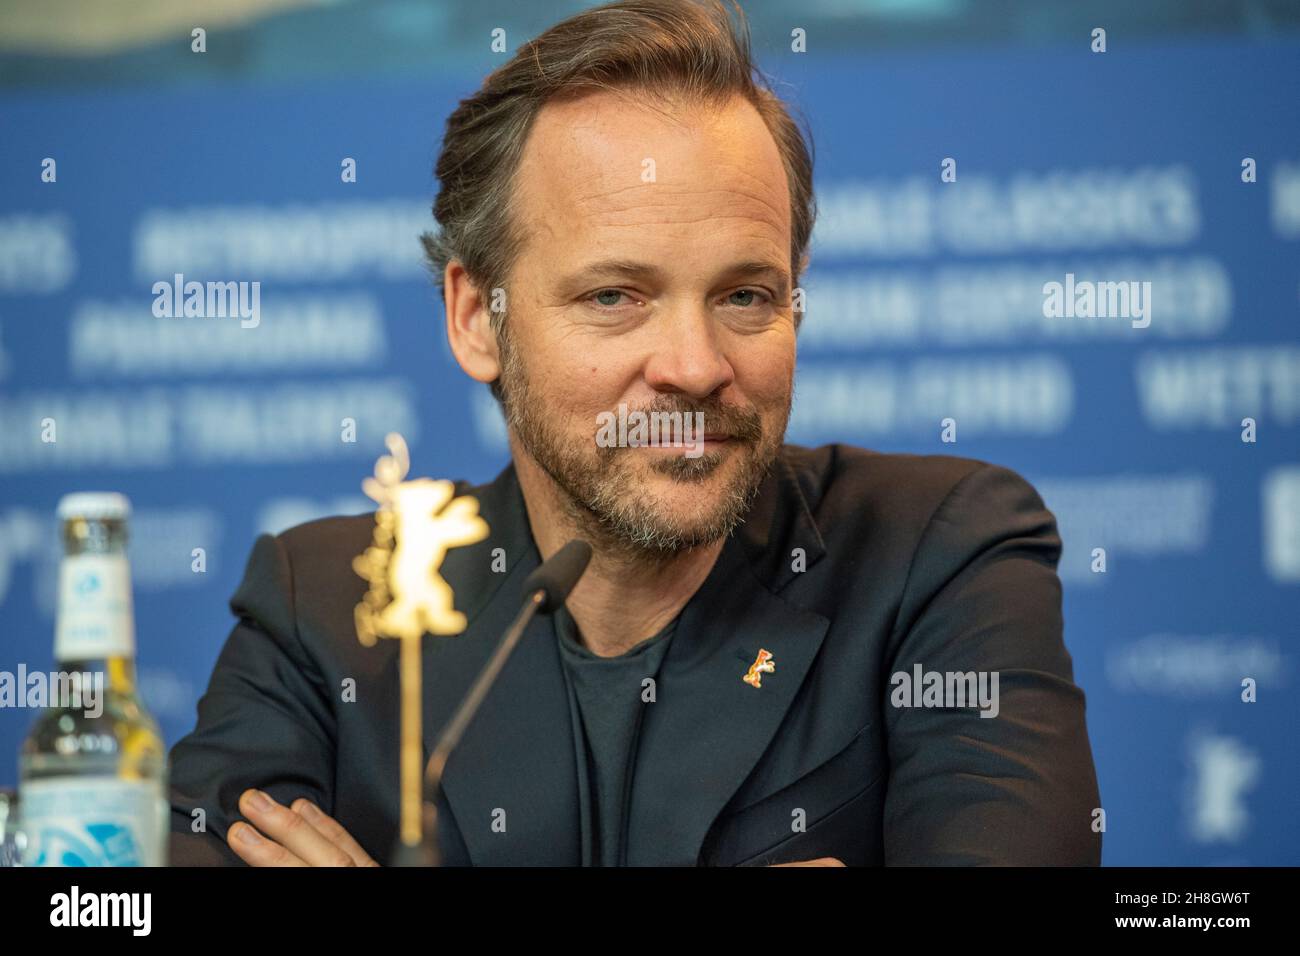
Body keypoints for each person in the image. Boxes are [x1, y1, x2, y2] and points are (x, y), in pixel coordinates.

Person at [167, 0, 1101, 867]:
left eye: (745, 296)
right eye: (615, 296)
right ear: (475, 318)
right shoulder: (329, 610)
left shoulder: (940, 554)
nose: (694, 367)